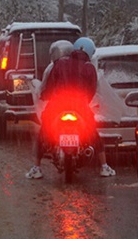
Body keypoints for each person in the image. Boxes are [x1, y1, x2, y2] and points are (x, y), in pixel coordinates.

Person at [26, 37, 116, 179]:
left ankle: (36, 167)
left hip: (57, 106)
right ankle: (104, 166)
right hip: (80, 107)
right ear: (89, 52)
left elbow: (49, 86)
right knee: (93, 132)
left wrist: (44, 96)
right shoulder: (89, 68)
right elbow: (91, 91)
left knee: (43, 132)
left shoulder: (60, 64)